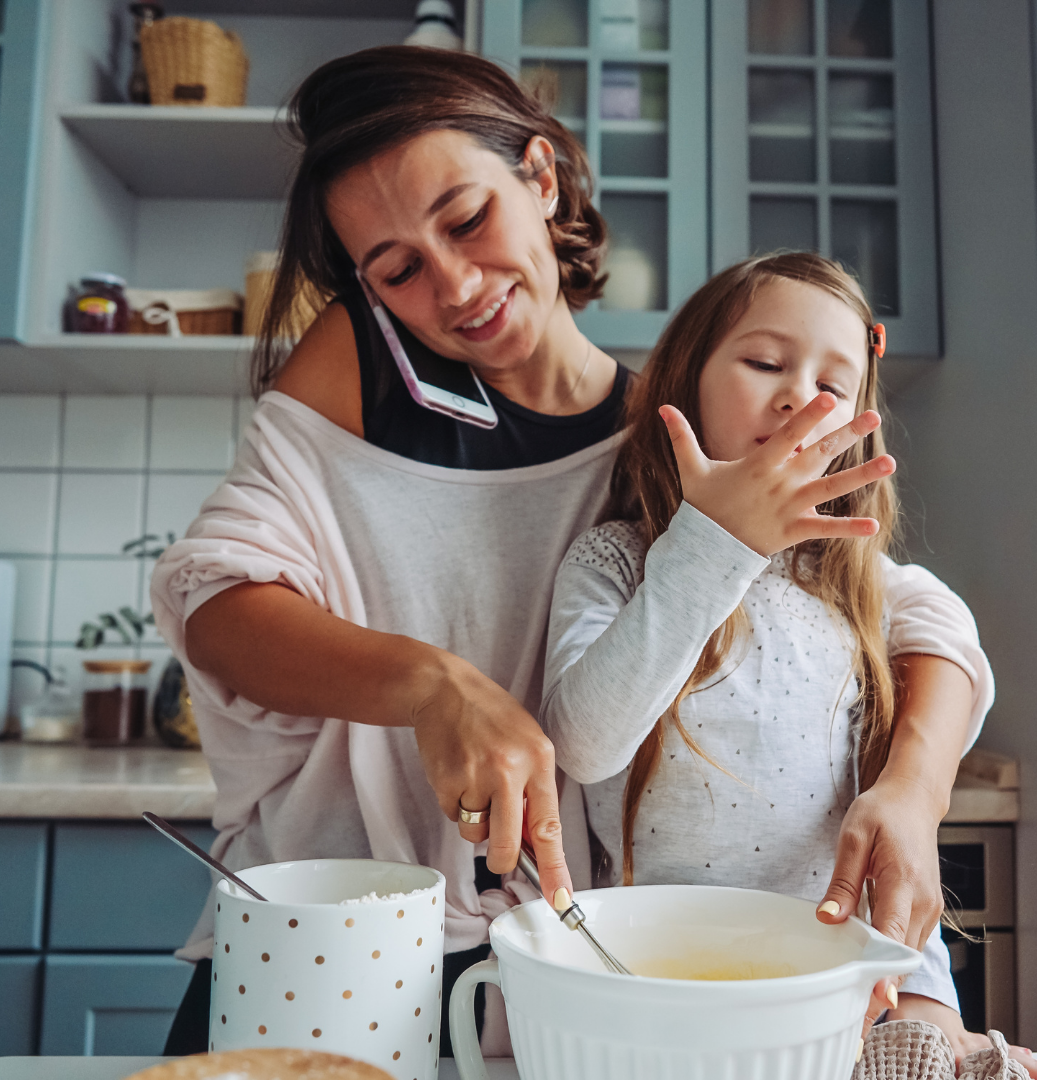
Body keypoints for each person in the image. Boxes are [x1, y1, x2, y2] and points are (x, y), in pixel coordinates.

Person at [149, 46, 992, 1058]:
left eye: (467, 219)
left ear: (541, 177)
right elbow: (216, 609)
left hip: (544, 956)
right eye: (399, 269)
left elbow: (913, 614)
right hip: (329, 929)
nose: (455, 285)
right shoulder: (357, 369)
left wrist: (915, 788)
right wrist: (433, 685)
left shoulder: (673, 442)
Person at [540, 252, 1035, 1073]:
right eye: (765, 363)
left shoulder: (848, 578)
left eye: (833, 387)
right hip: (672, 994)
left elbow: (949, 629)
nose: (799, 397)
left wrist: (913, 795)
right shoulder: (618, 563)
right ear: (686, 379)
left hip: (844, 995)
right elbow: (587, 744)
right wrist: (715, 540)